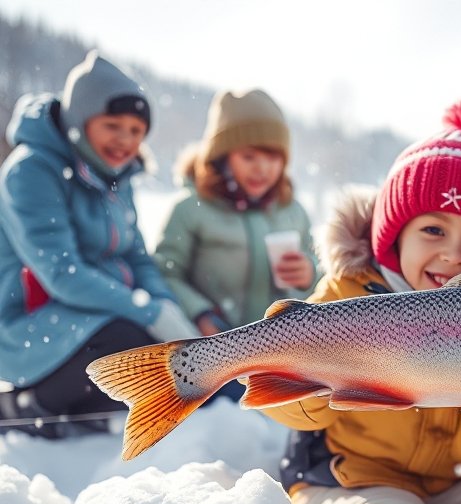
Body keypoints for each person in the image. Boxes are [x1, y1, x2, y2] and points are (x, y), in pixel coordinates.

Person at [261, 90, 461, 504]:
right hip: (352, 481)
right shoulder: (351, 296)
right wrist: (317, 381)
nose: (454, 253)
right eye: (433, 230)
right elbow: (286, 402)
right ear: (394, 236)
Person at [0, 50, 199, 438]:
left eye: (136, 131)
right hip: (28, 323)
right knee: (126, 341)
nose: (125, 141)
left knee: (159, 358)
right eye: (113, 125)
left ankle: (84, 407)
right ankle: (23, 407)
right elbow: (63, 273)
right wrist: (148, 314)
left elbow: (137, 257)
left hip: (94, 316)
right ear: (81, 120)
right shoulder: (31, 171)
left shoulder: (114, 177)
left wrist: (167, 309)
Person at [153, 88, 317, 401]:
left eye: (272, 157)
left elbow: (323, 283)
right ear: (222, 157)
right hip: (208, 351)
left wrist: (308, 273)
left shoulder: (293, 212)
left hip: (278, 356)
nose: (262, 168)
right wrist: (200, 313)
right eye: (249, 156)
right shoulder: (191, 208)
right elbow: (164, 271)